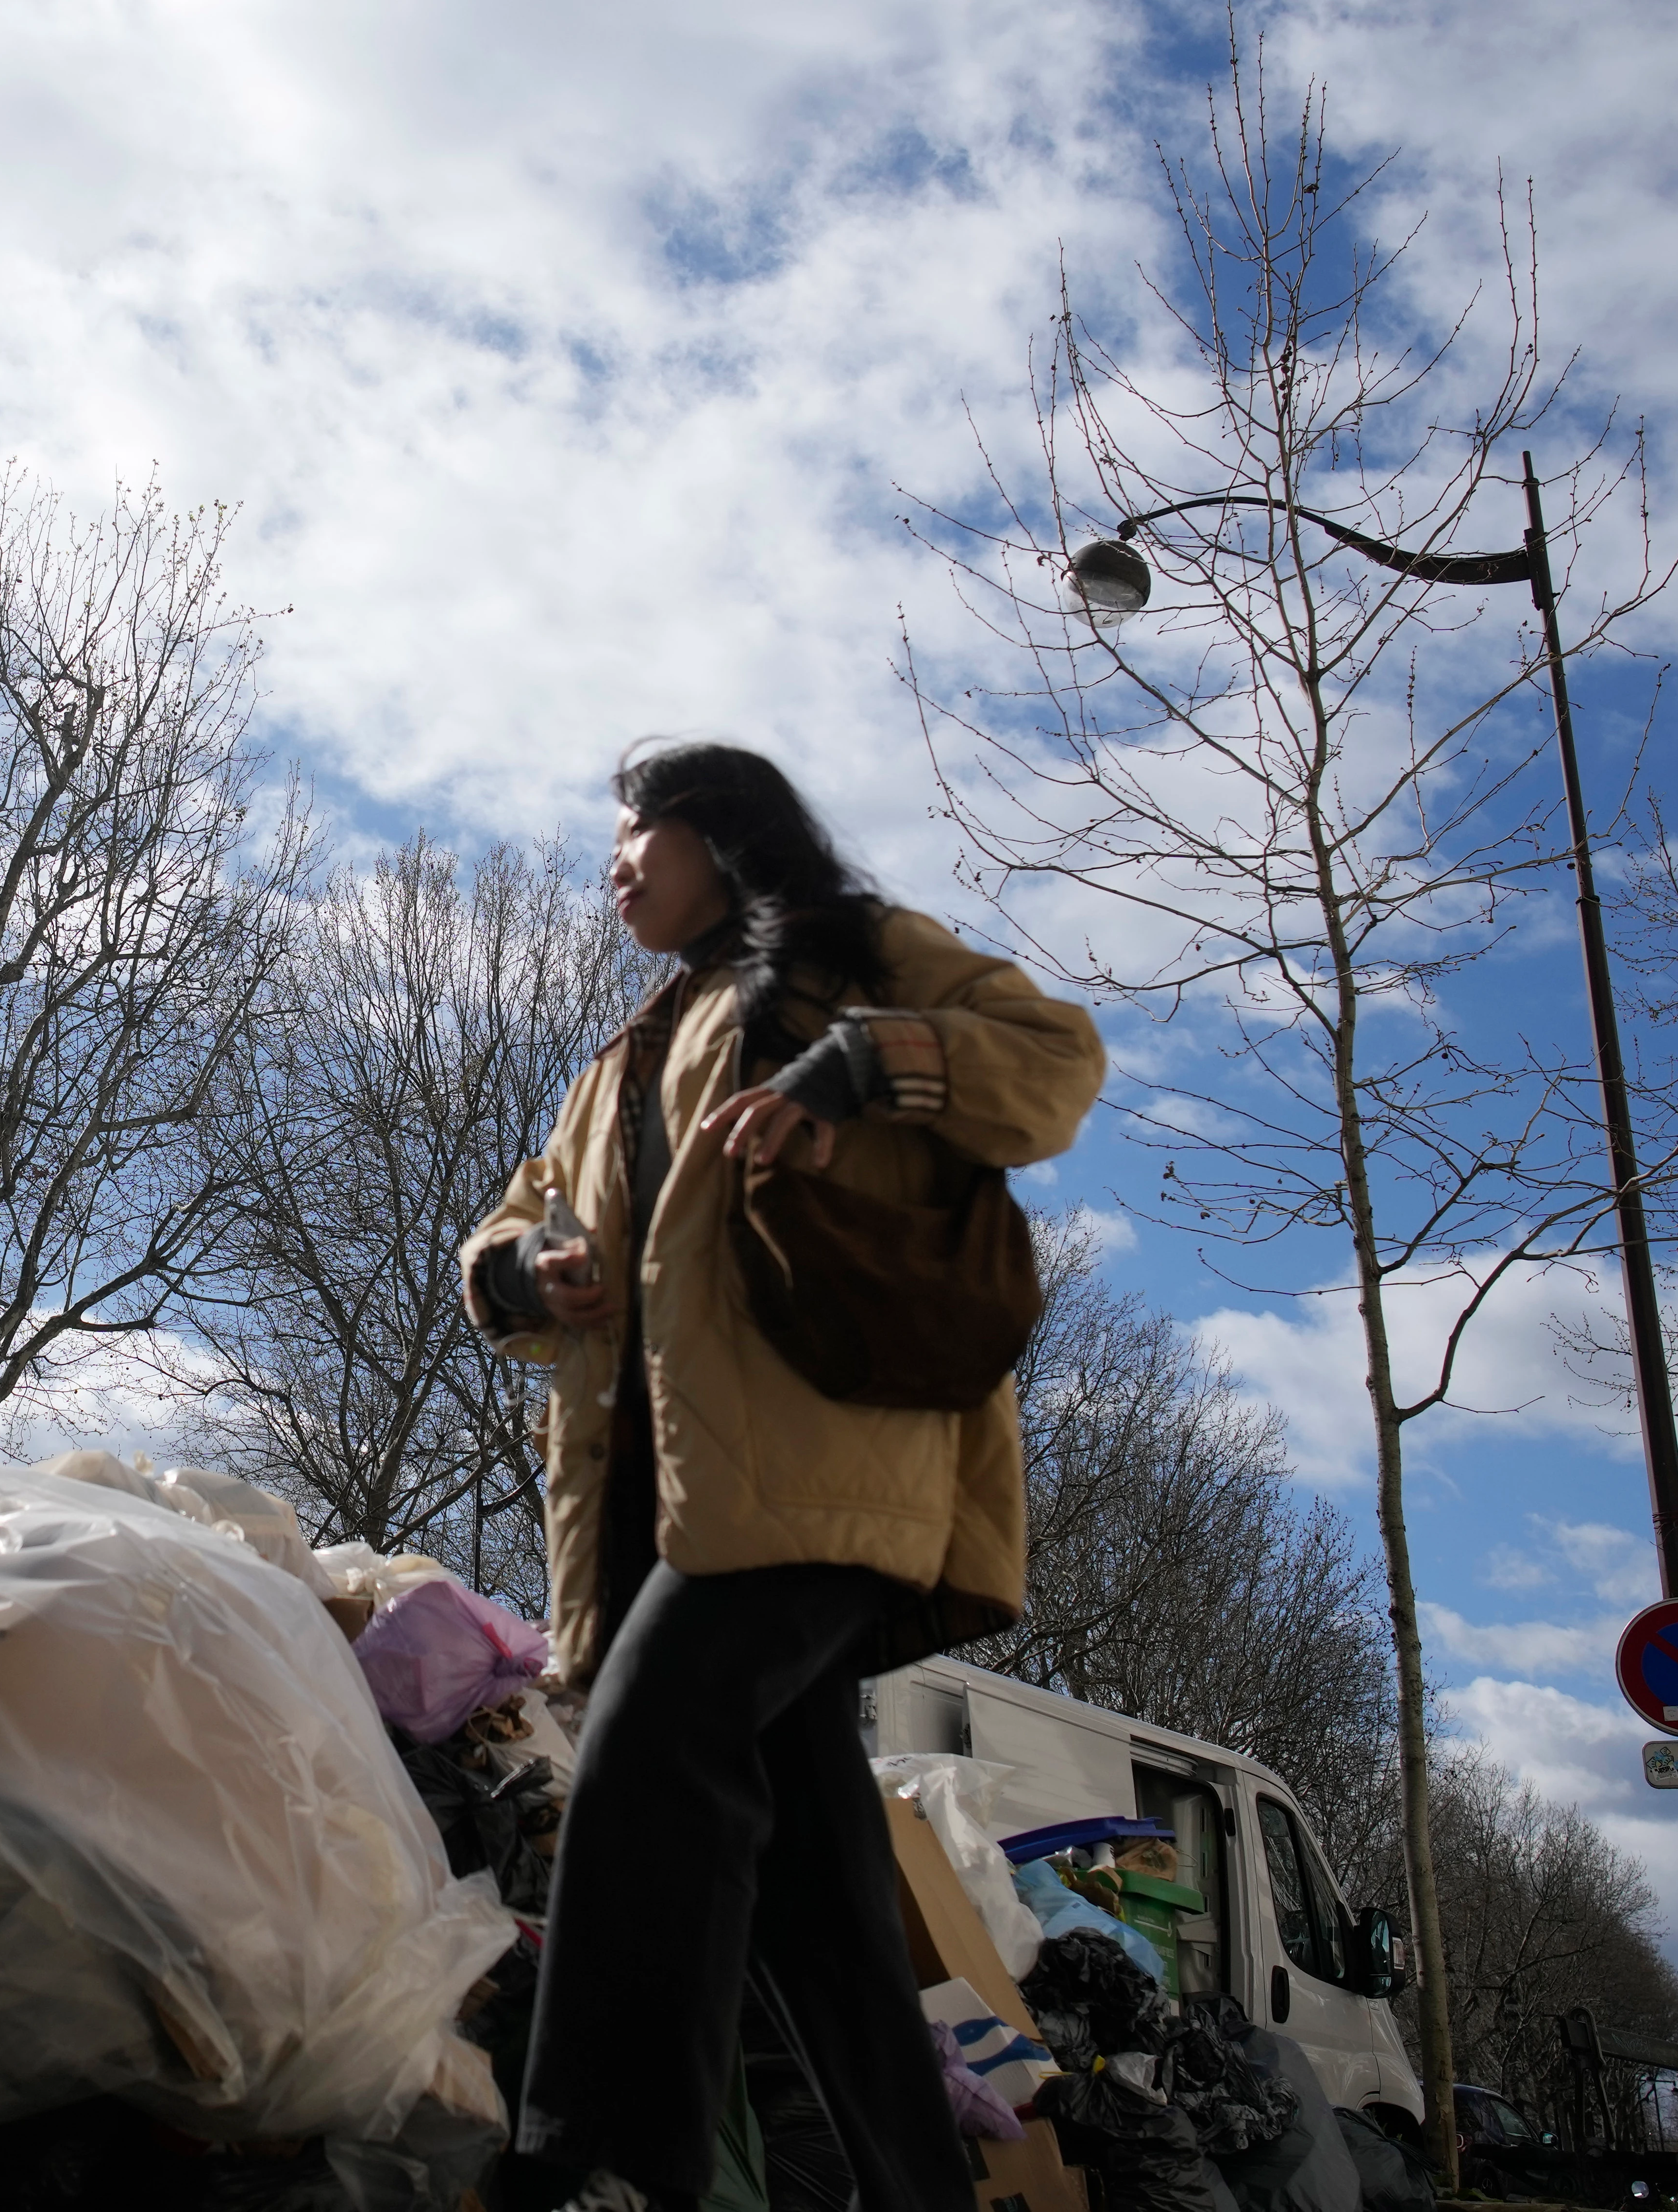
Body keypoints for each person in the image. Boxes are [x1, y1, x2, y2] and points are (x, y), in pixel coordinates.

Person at [460, 740, 1103, 2212]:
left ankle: (600, 2167)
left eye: (636, 834)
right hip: (662, 1502)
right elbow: (510, 1221)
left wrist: (860, 1059)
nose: (613, 867)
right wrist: (523, 1267)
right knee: (823, 1905)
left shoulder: (853, 957)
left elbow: (1056, 1058)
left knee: (643, 1755)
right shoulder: (617, 1060)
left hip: (832, 1467)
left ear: (717, 836)